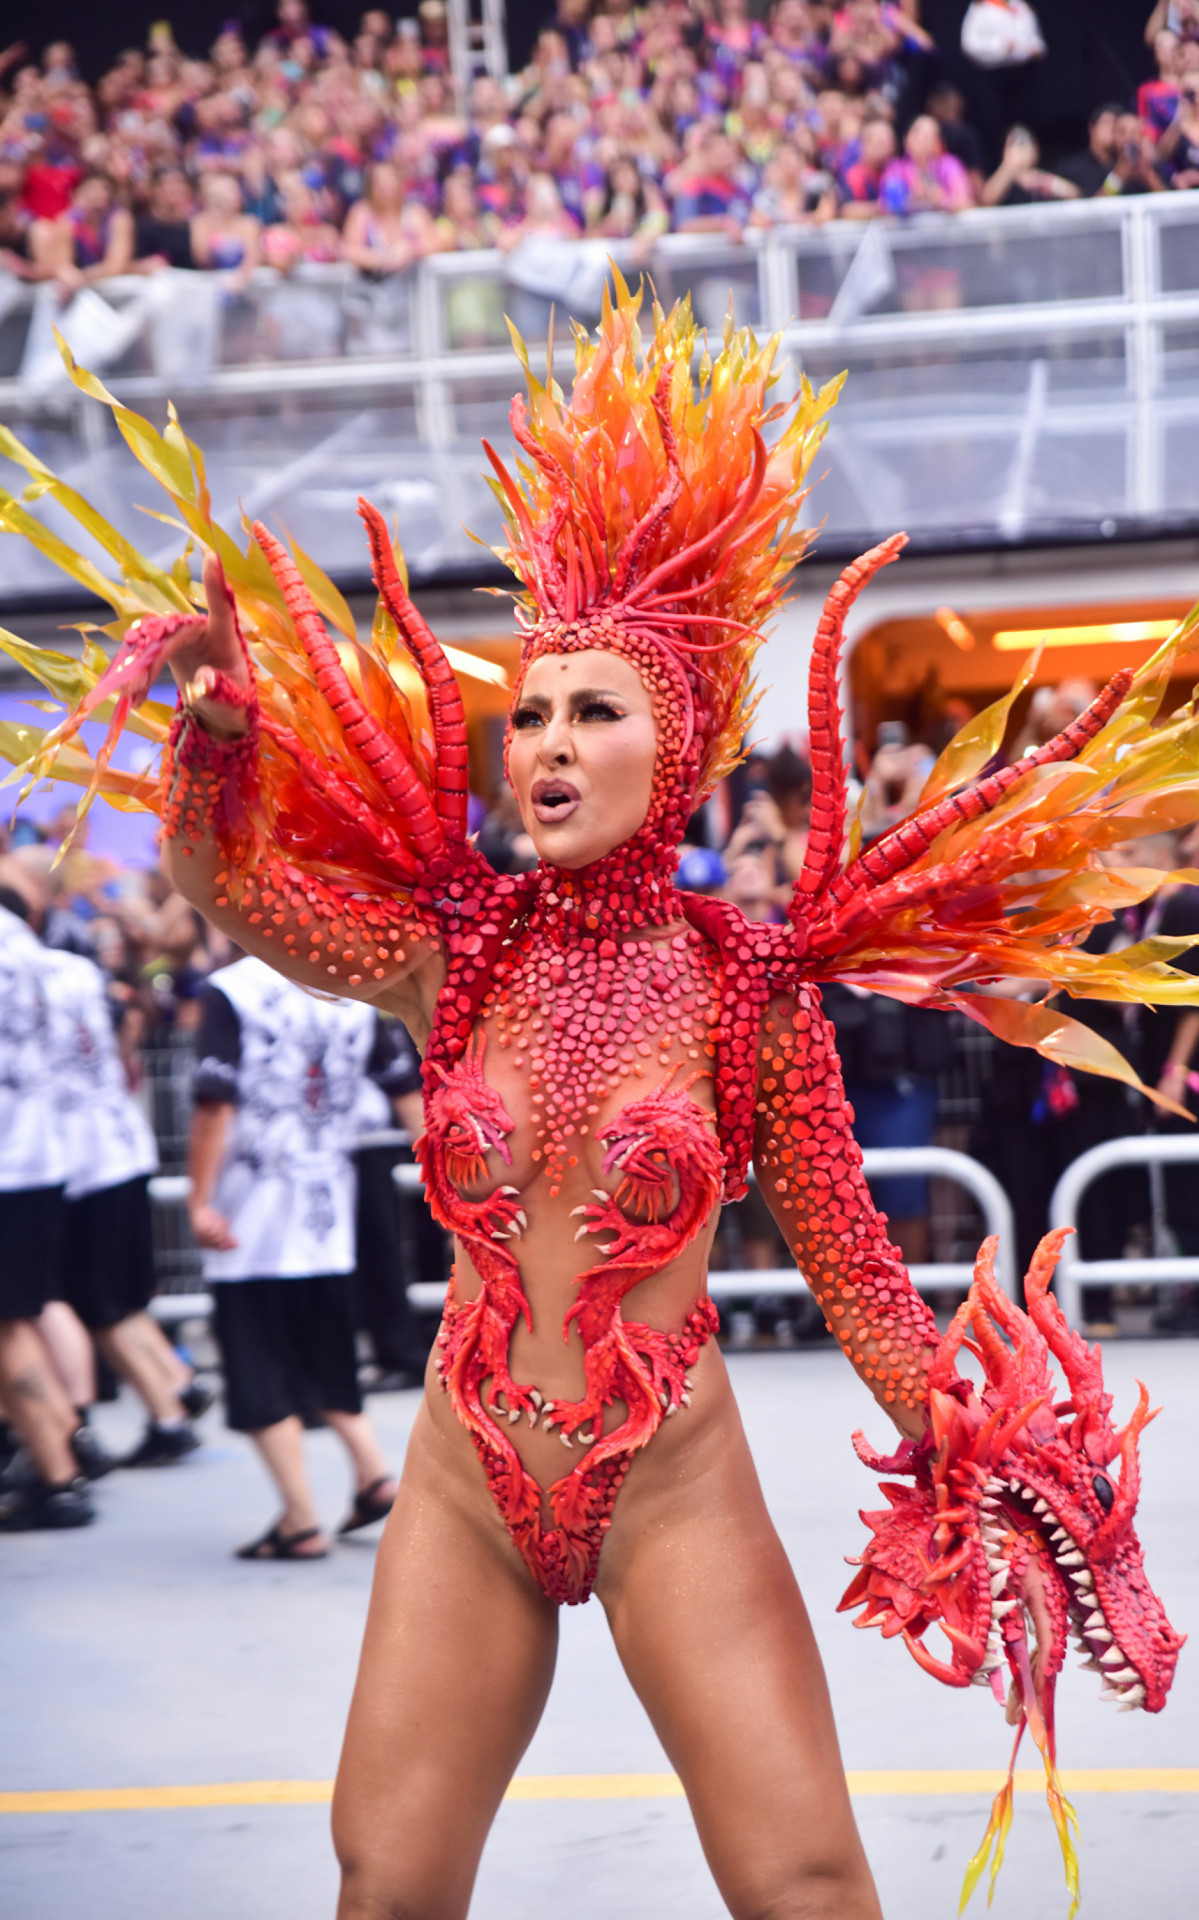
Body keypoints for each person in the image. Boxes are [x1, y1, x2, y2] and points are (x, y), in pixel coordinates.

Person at [3, 279, 1192, 1915]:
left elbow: (849, 1268)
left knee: (801, 1881)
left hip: (665, 1492)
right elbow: (237, 893)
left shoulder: (745, 984)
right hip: (460, 1477)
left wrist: (987, 1445)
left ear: (680, 743)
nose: (544, 745)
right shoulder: (451, 945)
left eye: (591, 712)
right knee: (386, 1878)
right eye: (528, 713)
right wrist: (214, 734)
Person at [188, 955, 400, 1558]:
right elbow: (405, 1089)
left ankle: (299, 1519)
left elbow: (214, 1103)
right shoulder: (350, 983)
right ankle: (372, 1475)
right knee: (330, 1357)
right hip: (327, 1210)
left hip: (251, 1220)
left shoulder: (233, 990)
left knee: (260, 1374)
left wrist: (201, 1200)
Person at [0, 891, 93, 1530]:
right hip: (38, 1147)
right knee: (22, 1312)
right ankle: (60, 1439)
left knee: (7, 1324)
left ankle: (57, 1475)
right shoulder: (23, 940)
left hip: (9, 1157)